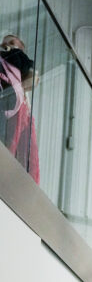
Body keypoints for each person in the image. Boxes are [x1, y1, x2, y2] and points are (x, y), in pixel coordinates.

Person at [0, 34, 39, 182]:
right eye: (4, 42)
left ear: (21, 46)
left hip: (7, 99)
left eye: (11, 42)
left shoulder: (19, 57)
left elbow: (31, 79)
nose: (6, 45)